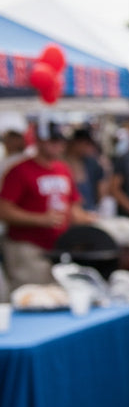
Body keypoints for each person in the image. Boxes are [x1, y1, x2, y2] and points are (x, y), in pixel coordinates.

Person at [0, 123, 93, 291]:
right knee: (33, 295)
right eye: (53, 141)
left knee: (57, 295)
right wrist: (40, 219)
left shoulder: (63, 169)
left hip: (59, 247)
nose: (59, 145)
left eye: (61, 141)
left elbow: (73, 205)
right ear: (39, 141)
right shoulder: (19, 170)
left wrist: (86, 218)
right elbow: (4, 210)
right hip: (27, 247)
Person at [66, 128, 108, 213]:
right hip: (71, 211)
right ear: (75, 143)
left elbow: (102, 189)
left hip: (90, 210)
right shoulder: (62, 164)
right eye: (86, 144)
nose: (88, 148)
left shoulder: (92, 163)